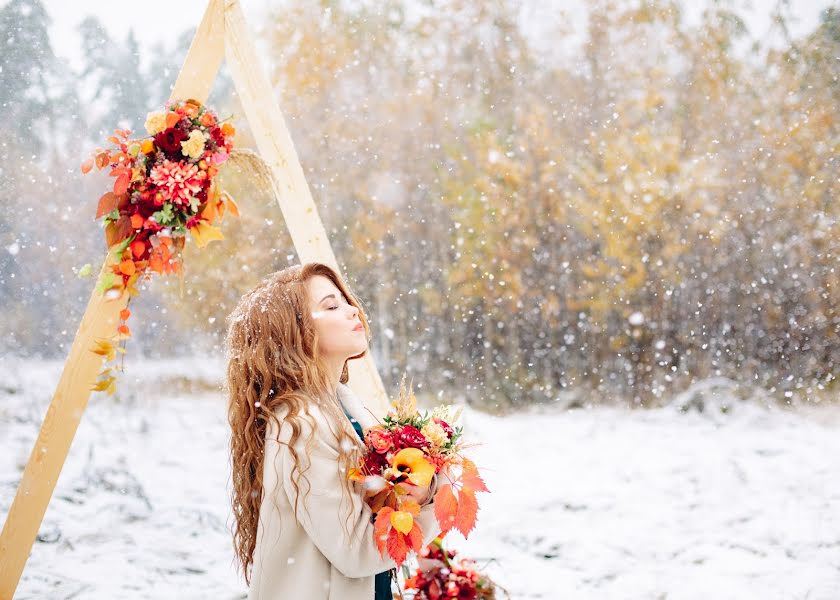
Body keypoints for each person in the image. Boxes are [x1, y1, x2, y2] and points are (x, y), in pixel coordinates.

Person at [225, 262, 443, 600]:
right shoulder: (301, 424)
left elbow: (375, 507)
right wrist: (442, 500)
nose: (352, 309)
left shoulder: (341, 405)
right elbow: (356, 549)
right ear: (295, 333)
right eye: (331, 305)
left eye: (345, 300)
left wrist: (421, 482)